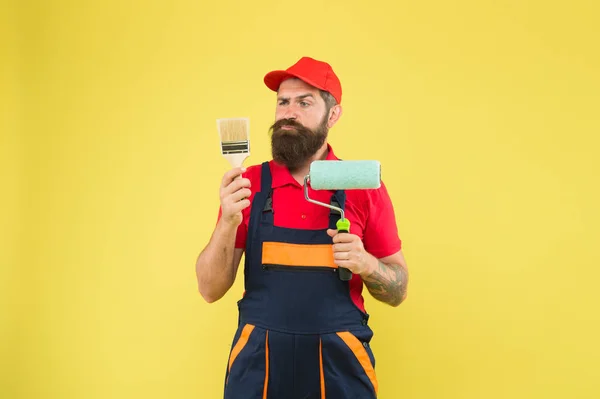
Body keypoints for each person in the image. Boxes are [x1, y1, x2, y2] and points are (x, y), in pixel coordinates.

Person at [196, 56, 409, 399]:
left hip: (340, 365)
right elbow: (209, 289)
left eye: (304, 102)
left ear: (333, 114)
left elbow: (398, 291)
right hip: (258, 365)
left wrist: (366, 263)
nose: (288, 112)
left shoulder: (363, 186)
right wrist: (228, 223)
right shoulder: (247, 185)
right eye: (283, 102)